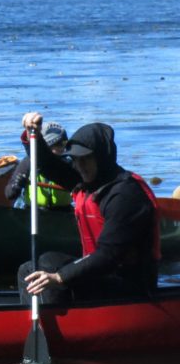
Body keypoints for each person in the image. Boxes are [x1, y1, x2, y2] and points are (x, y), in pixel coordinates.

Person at [19, 112, 160, 304]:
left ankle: (65, 328)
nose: (79, 165)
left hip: (130, 285)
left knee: (49, 267)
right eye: (75, 160)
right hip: (101, 274)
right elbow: (50, 166)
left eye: (85, 159)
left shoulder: (125, 196)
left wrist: (60, 277)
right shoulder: (89, 180)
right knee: (32, 269)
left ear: (101, 157)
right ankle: (38, 322)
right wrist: (31, 136)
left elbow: (108, 255)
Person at [3, 120, 73, 209]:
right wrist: (17, 185)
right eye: (58, 144)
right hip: (33, 213)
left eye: (64, 144)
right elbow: (9, 195)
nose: (62, 148)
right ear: (46, 146)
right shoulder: (28, 162)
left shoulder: (70, 164)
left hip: (64, 212)